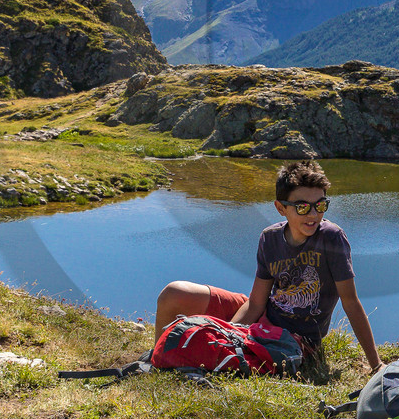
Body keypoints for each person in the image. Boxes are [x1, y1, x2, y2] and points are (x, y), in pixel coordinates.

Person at [154, 160, 383, 377]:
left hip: (292, 341)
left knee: (203, 345)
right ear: (281, 208)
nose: (314, 214)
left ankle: (169, 359)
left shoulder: (332, 238)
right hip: (262, 318)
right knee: (173, 294)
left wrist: (376, 365)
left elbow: (350, 302)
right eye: (303, 207)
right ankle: (157, 360)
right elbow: (255, 303)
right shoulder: (269, 238)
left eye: (321, 205)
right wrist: (231, 332)